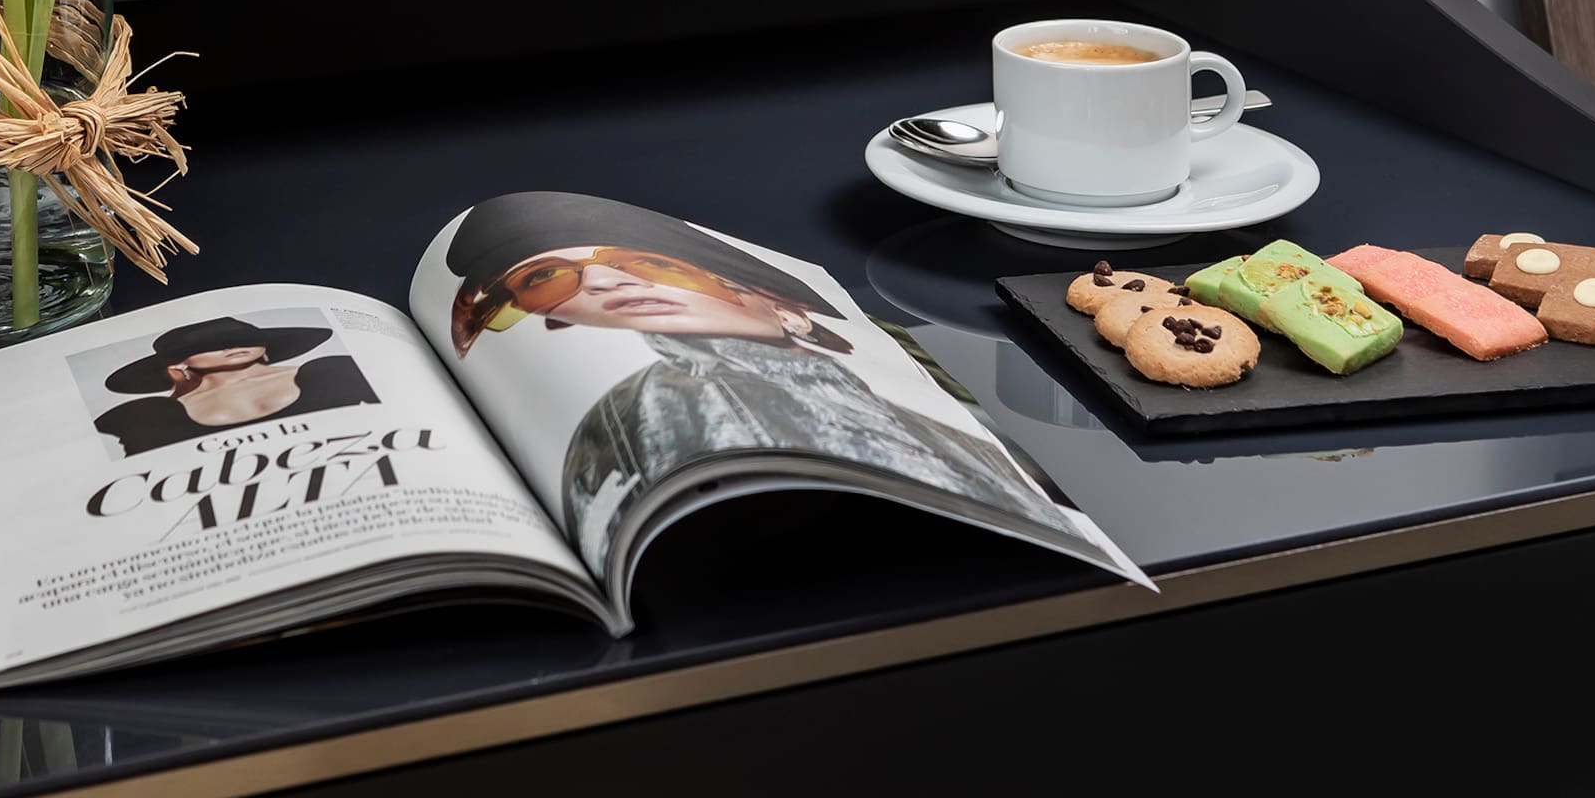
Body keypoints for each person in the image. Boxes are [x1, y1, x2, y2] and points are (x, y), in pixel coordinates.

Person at [446, 194, 1071, 574]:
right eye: (547, 279)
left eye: (654, 264)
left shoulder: (927, 393)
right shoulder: (654, 408)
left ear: (779, 303)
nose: (605, 284)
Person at [94, 315, 378, 459]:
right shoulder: (151, 415)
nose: (231, 346)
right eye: (209, 346)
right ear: (177, 362)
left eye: (242, 339)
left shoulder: (333, 370)